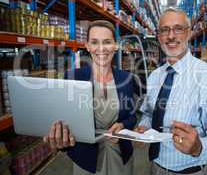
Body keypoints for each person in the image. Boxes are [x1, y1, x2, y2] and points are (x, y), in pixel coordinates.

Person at [135, 7, 207, 175]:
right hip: (155, 167)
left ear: (189, 33)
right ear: (159, 37)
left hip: (191, 171)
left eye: (178, 29)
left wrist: (199, 147)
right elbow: (149, 114)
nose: (171, 36)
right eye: (165, 30)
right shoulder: (154, 77)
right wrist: (143, 128)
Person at [43, 20, 137, 175]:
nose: (101, 48)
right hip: (86, 158)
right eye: (94, 42)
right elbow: (65, 120)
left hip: (120, 155)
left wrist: (122, 126)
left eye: (107, 42)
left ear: (115, 45)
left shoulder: (126, 78)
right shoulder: (74, 77)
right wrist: (61, 139)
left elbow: (132, 117)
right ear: (87, 45)